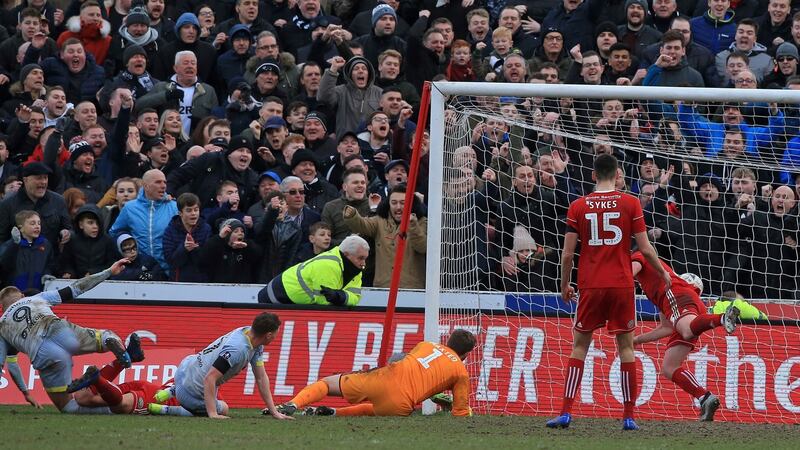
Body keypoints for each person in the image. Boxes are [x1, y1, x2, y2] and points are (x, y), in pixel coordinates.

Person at [547, 153, 671, 431]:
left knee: (580, 346)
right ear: (617, 175)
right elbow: (645, 248)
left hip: (590, 284)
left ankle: (566, 413)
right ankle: (628, 417)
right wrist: (662, 272)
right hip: (621, 284)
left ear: (593, 175)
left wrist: (565, 284)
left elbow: (567, 255)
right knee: (626, 348)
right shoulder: (630, 202)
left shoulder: (578, 206)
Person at [0, 258, 132, 413]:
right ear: (22, 296)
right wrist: (108, 272)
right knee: (105, 336)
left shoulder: (3, 325)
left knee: (69, 407)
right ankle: (108, 340)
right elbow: (76, 288)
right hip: (60, 330)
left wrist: (25, 393)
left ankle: (117, 409)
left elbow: (6, 364)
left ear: (3, 308)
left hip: (44, 354)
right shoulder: (36, 298)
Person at [630, 251, 740, 421]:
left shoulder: (638, 256)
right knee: (669, 367)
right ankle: (705, 397)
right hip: (690, 310)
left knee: (688, 329)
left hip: (679, 297)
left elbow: (628, 275)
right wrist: (636, 340)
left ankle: (722, 317)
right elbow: (666, 328)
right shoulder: (655, 287)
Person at [276, 329, 475, 417]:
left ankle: (293, 403)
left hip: (382, 377)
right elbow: (460, 413)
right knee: (377, 409)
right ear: (466, 354)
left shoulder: (426, 344)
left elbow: (414, 366)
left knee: (328, 384)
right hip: (401, 403)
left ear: (447, 340)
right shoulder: (460, 372)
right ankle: (335, 413)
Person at [147, 312, 291, 419]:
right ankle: (167, 409)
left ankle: (172, 390)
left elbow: (261, 377)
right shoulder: (238, 349)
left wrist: (274, 411)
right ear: (269, 335)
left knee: (205, 376)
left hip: (185, 368)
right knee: (224, 408)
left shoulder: (249, 334)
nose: (277, 336)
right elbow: (210, 378)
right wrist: (213, 414)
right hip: (189, 392)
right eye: (276, 333)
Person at [259, 234, 369, 306]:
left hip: (288, 300)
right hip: (275, 298)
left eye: (365, 258)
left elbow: (355, 298)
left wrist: (340, 296)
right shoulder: (329, 265)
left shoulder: (355, 268)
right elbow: (323, 302)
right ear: (346, 255)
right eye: (360, 258)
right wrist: (339, 297)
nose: (363, 263)